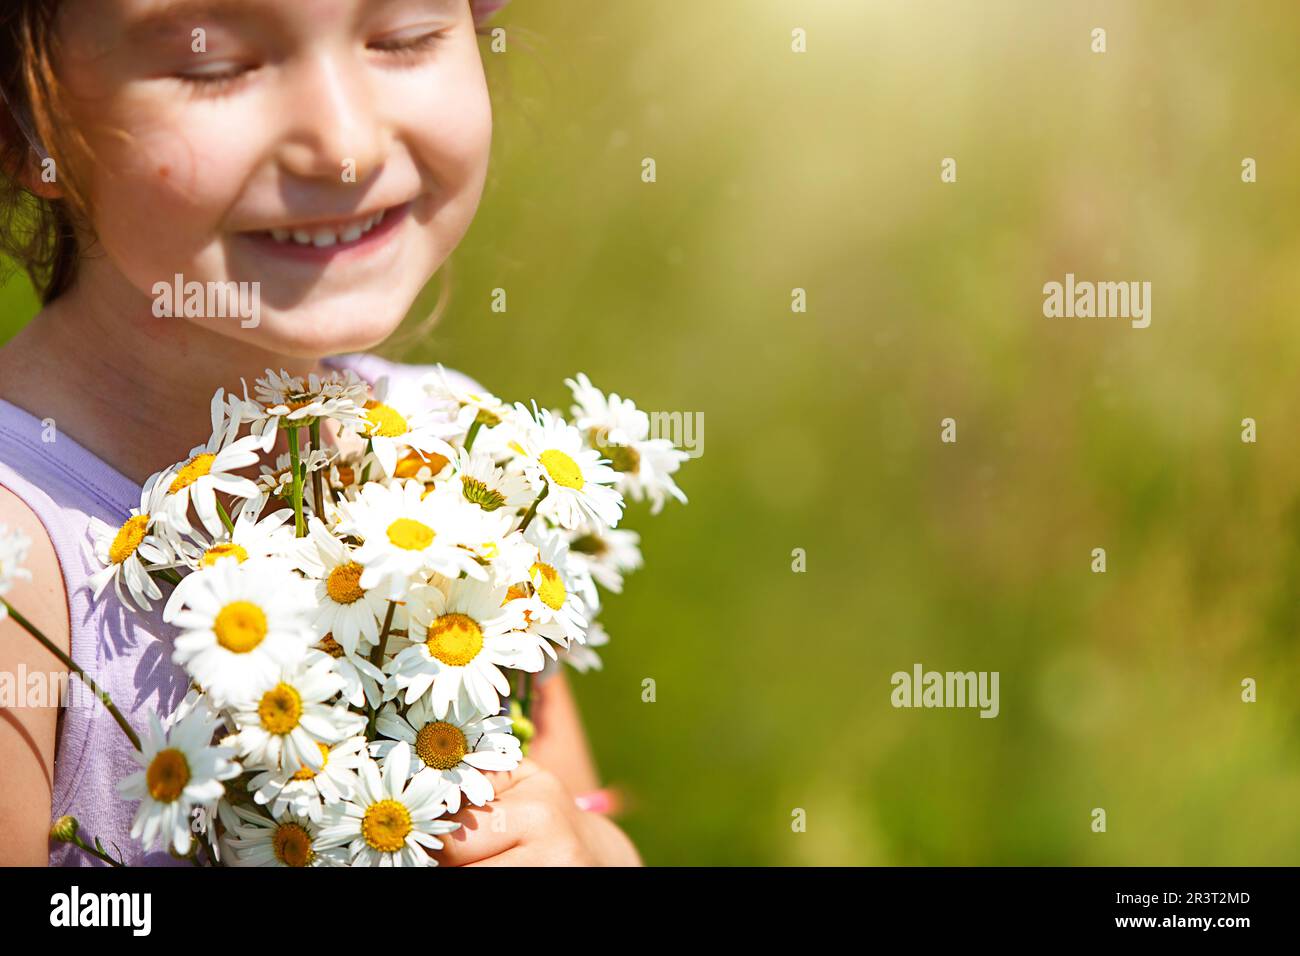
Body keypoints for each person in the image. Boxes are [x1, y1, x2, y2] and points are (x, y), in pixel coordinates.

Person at [0, 0, 639, 866]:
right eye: (216, 62)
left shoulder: (465, 458)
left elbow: (568, 798)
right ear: (25, 120)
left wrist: (590, 849)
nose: (346, 146)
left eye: (404, 36)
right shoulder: (23, 569)